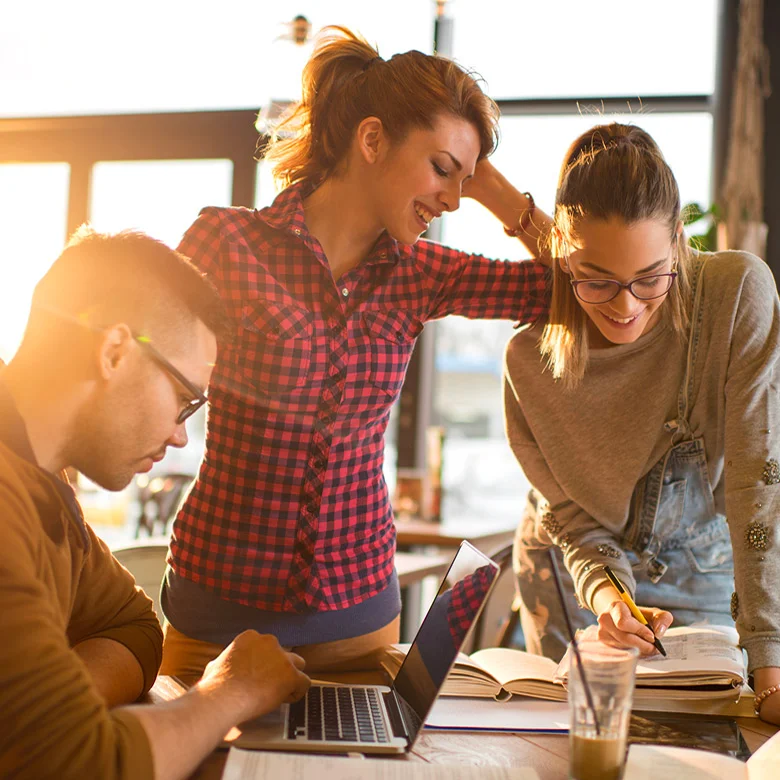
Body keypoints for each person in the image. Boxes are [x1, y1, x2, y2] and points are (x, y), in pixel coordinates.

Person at [160, 25, 549, 681]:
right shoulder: (225, 243)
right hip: (214, 612)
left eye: (463, 181)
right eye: (441, 169)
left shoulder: (422, 273)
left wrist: (496, 193)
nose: (452, 199)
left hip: (358, 619)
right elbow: (144, 345)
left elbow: (578, 283)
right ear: (371, 140)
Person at [0, 226, 310, 779]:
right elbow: (82, 766)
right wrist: (228, 693)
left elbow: (135, 626)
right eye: (186, 400)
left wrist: (57, 705)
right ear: (115, 351)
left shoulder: (41, 479)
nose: (180, 438)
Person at [502, 122, 780, 726]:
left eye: (651, 278)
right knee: (572, 746)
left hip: (706, 570)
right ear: (562, 256)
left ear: (680, 242)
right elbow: (572, 516)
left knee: (713, 740)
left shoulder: (734, 296)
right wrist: (607, 597)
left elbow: (759, 484)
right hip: (579, 581)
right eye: (596, 280)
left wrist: (771, 662)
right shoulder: (531, 360)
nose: (625, 306)